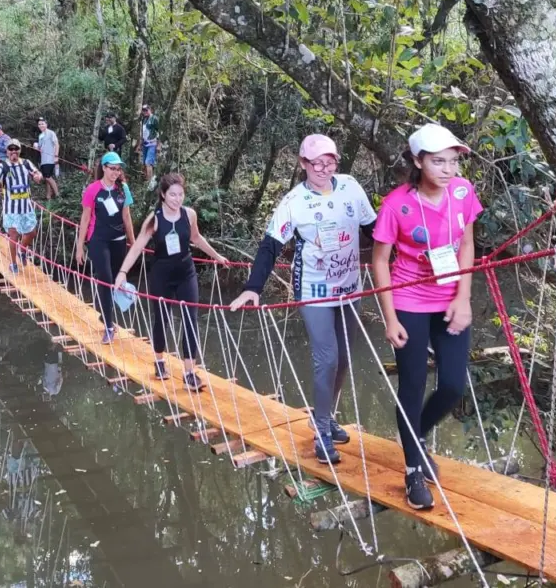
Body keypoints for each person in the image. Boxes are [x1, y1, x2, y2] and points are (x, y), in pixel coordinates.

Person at [230, 134, 376, 463]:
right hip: (314, 288)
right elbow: (270, 245)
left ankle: (325, 416)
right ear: (303, 163)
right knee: (327, 357)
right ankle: (322, 431)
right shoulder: (294, 202)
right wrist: (253, 287)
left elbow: (374, 228)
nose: (324, 168)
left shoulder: (351, 188)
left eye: (330, 161)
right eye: (316, 163)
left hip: (349, 286)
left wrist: (410, 249)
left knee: (344, 359)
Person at [371, 124, 481, 511]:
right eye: (438, 162)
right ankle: (412, 471)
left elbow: (467, 243)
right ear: (418, 162)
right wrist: (390, 318)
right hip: (409, 300)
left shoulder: (463, 192)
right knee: (413, 385)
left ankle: (415, 436)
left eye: (453, 161)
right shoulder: (396, 205)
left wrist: (464, 298)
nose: (448, 169)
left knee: (452, 385)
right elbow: (380, 261)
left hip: (450, 298)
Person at [114, 173, 227, 391]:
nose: (177, 199)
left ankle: (189, 372)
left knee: (190, 320)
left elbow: (196, 238)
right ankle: (159, 360)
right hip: (161, 274)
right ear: (163, 195)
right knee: (161, 319)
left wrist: (217, 256)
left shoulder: (189, 215)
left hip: (186, 273)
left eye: (180, 194)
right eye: (173, 195)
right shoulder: (154, 219)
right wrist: (122, 272)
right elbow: (137, 247)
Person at [75, 151, 135, 344]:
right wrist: (79, 247)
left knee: (117, 280)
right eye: (112, 168)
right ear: (104, 168)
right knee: (106, 279)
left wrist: (134, 243)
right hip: (98, 240)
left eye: (118, 169)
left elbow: (126, 217)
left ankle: (104, 312)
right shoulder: (92, 190)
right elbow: (85, 219)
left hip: (119, 240)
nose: (116, 172)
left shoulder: (123, 189)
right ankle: (109, 326)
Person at [0, 139, 44, 273]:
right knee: (13, 236)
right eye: (11, 149)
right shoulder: (2, 167)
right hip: (11, 208)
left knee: (32, 232)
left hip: (26, 206)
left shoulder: (26, 163)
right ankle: (13, 263)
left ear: (19, 150)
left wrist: (38, 176)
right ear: (7, 151)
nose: (13, 151)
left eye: (16, 149)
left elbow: (37, 173)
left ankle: (22, 250)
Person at [34, 117, 60, 199]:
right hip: (43, 160)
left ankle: (57, 195)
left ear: (46, 124)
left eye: (42, 124)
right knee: (47, 177)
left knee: (48, 177)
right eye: (39, 124)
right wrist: (36, 146)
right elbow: (40, 148)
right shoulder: (40, 135)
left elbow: (57, 144)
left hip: (50, 159)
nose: (41, 125)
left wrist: (56, 156)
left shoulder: (51, 133)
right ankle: (48, 196)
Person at [137, 103, 160, 185]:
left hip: (152, 143)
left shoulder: (154, 119)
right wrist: (140, 144)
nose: (145, 112)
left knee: (148, 163)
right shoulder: (144, 119)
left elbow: (160, 131)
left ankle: (150, 183)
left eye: (146, 110)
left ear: (150, 110)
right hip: (145, 143)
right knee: (144, 163)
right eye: (143, 110)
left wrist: (159, 145)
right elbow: (143, 133)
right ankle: (147, 180)